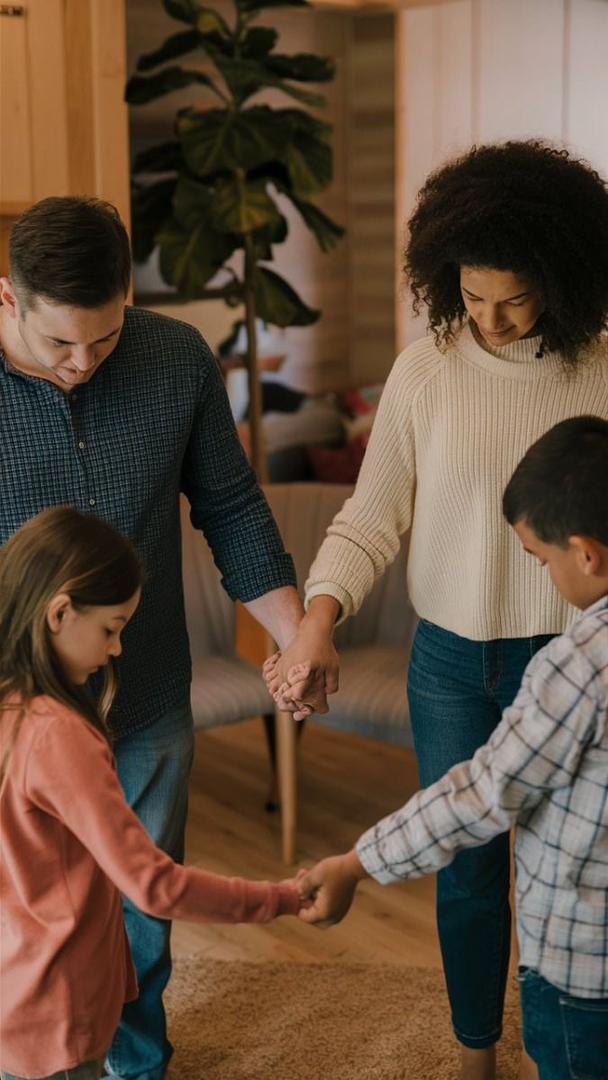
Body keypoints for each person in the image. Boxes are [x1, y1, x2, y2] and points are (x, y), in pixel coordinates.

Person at [264, 141, 608, 1080]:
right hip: (452, 661)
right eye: (471, 294)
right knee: (468, 867)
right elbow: (373, 515)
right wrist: (319, 617)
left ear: (563, 279)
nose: (489, 320)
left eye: (514, 298)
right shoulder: (426, 373)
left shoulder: (602, 373)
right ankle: (474, 1052)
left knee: (571, 872)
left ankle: (568, 1041)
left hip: (572, 657)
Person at [0, 196, 310, 1080]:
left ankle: (136, 1064)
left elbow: (232, 506)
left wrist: (291, 639)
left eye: (103, 339)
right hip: (16, 713)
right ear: (8, 299)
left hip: (144, 690)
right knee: (30, 913)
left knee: (143, 902)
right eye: (60, 343)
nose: (82, 364)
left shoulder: (174, 358)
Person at [295, 416, 608, 1080]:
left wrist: (357, 862)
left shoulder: (580, 663)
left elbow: (485, 793)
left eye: (540, 560)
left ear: (587, 554)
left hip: (583, 974)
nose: (543, 575)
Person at [0, 508, 303, 1080]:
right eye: (111, 629)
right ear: (60, 612)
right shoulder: (59, 736)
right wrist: (282, 899)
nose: (116, 651)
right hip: (58, 1013)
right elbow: (155, 886)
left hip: (12, 996)